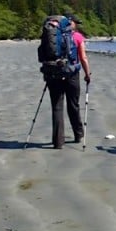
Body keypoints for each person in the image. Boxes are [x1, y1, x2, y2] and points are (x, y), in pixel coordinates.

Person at [46, 15, 91, 149]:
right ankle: (78, 134)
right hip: (71, 73)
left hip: (53, 73)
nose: (76, 25)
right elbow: (83, 57)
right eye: (76, 23)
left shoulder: (52, 35)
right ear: (71, 23)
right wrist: (87, 74)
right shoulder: (77, 37)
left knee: (57, 107)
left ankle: (58, 142)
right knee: (73, 105)